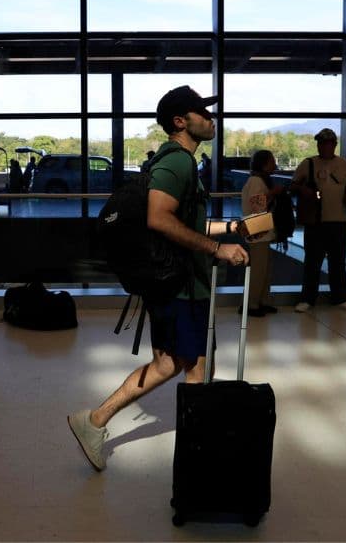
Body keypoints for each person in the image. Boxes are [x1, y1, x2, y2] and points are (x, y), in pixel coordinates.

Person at [67, 85, 249, 472]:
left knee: (169, 364)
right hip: (182, 286)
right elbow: (159, 219)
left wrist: (231, 227)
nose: (210, 118)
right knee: (198, 368)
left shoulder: (175, 162)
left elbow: (186, 222)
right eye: (202, 112)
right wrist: (218, 250)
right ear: (180, 122)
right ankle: (197, 460)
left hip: (173, 282)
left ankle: (94, 420)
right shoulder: (178, 163)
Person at [290, 128, 346, 313]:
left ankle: (340, 298)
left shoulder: (344, 164)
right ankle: (307, 299)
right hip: (316, 221)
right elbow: (293, 185)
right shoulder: (308, 163)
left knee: (338, 262)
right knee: (312, 262)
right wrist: (303, 190)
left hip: (338, 220)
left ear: (334, 145)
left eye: (327, 143)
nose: (323, 146)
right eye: (321, 143)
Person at [241, 149, 284, 317]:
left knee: (265, 270)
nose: (274, 164)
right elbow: (257, 205)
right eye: (272, 160)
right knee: (259, 270)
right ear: (265, 163)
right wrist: (273, 193)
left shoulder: (259, 180)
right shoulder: (256, 181)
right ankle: (252, 304)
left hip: (261, 232)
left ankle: (262, 301)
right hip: (258, 232)